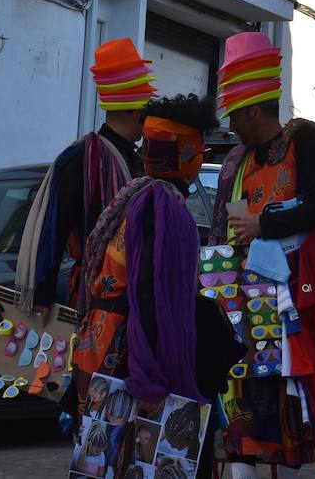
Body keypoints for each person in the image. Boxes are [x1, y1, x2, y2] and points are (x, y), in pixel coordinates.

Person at [72, 93, 240, 479]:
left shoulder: (136, 195)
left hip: (99, 347)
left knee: (103, 463)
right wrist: (151, 380)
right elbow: (150, 296)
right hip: (129, 355)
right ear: (189, 155)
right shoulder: (162, 208)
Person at [206, 32, 315, 476]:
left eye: (235, 115)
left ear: (254, 110)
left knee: (284, 390)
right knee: (241, 388)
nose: (231, 126)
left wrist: (266, 224)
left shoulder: (305, 145)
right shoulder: (236, 160)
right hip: (240, 296)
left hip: (291, 297)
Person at [16, 38, 150, 312]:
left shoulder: (137, 160)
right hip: (92, 295)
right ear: (139, 112)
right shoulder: (84, 158)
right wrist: (43, 295)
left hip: (130, 294)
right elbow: (54, 225)